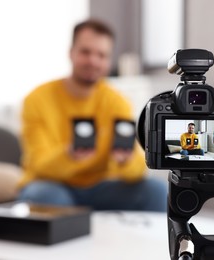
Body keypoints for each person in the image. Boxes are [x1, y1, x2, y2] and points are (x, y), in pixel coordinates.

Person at [17, 19, 167, 212]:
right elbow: (38, 165)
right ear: (71, 53)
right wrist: (69, 155)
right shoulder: (37, 99)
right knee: (45, 196)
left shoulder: (117, 102)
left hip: (101, 187)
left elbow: (138, 169)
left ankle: (152, 242)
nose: (93, 61)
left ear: (109, 60)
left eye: (101, 55)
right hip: (52, 184)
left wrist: (125, 160)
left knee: (155, 190)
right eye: (85, 52)